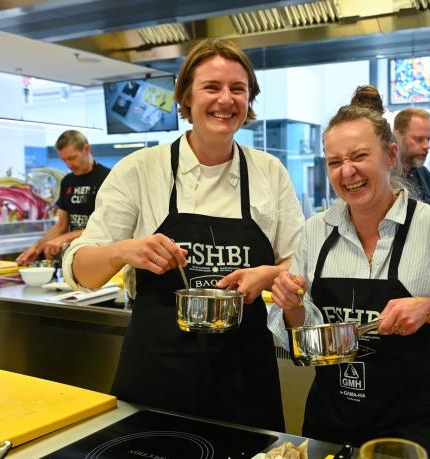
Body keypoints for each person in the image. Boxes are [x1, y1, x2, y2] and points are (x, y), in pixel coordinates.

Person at [62, 38, 304, 432]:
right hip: (158, 374)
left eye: (237, 89)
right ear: (186, 97)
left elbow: (299, 261)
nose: (225, 99)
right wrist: (126, 251)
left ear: (249, 99)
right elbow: (81, 270)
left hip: (245, 376)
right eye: (212, 87)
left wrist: (267, 274)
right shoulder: (140, 169)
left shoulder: (269, 172)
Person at [268, 86, 430, 458]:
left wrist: (428, 308)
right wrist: (291, 305)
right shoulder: (314, 232)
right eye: (334, 161)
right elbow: (305, 341)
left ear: (390, 155)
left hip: (408, 432)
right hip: (329, 422)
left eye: (359, 156)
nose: (347, 171)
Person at [16, 130, 110, 264]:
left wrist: (65, 238)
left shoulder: (108, 178)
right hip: (75, 255)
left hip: (101, 255)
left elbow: (105, 227)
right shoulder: (67, 181)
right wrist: (37, 247)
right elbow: (61, 225)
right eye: (64, 160)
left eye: (72, 158)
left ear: (86, 149)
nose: (69, 165)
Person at [393, 108, 430, 206]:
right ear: (397, 136)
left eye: (428, 139)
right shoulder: (384, 176)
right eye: (419, 139)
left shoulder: (424, 174)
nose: (427, 146)